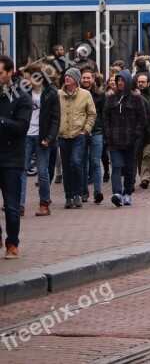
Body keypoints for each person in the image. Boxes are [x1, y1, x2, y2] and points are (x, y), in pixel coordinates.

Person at [0, 55, 33, 259]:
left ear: (10, 73)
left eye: (0, 73)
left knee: (11, 206)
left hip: (11, 160)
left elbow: (22, 127)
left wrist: (1, 121)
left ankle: (12, 243)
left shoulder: (22, 97)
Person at [20, 63, 60, 217]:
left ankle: (44, 203)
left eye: (28, 78)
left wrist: (49, 138)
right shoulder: (23, 92)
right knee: (21, 170)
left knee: (43, 172)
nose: (25, 81)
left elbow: (56, 119)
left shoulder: (51, 93)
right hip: (25, 135)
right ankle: (19, 204)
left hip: (41, 136)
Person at [103, 70, 146, 207]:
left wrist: (136, 133)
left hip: (130, 139)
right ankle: (117, 193)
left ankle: (127, 192)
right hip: (114, 139)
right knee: (116, 166)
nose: (120, 83)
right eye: (118, 80)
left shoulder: (136, 98)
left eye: (122, 80)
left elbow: (142, 118)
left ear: (127, 82)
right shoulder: (111, 98)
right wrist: (108, 134)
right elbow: (105, 118)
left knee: (129, 168)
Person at [57, 67, 96, 209]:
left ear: (76, 79)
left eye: (70, 76)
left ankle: (78, 193)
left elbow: (92, 114)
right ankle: (68, 196)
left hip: (78, 134)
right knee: (66, 167)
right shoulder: (58, 94)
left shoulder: (85, 95)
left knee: (76, 162)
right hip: (62, 135)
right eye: (66, 76)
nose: (67, 78)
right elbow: (54, 114)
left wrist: (85, 130)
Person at [80, 68, 105, 204]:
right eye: (84, 78)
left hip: (96, 132)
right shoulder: (77, 94)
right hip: (80, 133)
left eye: (88, 78)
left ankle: (97, 191)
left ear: (93, 79)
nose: (86, 80)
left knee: (95, 162)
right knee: (83, 163)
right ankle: (84, 192)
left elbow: (104, 113)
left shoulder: (100, 95)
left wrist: (103, 129)